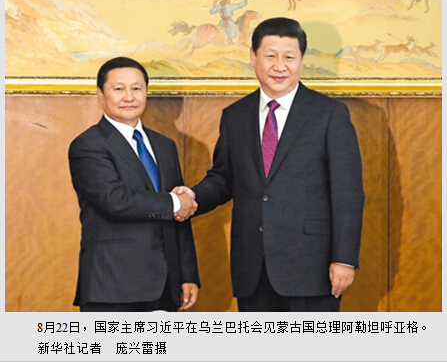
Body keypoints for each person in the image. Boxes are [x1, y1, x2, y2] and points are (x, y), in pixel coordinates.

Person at [174, 17, 364, 312]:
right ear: (253, 57)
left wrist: (344, 259)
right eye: (270, 56)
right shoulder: (235, 116)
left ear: (302, 60)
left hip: (312, 267)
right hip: (253, 267)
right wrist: (193, 196)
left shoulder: (329, 114)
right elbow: (224, 179)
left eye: (289, 57)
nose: (280, 66)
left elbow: (348, 194)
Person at [69, 57, 200, 312]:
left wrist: (187, 274)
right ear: (100, 95)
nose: (129, 97)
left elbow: (179, 217)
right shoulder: (88, 145)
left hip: (166, 285)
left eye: (137, 88)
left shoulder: (165, 145)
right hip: (113, 285)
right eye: (119, 89)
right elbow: (114, 200)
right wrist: (175, 201)